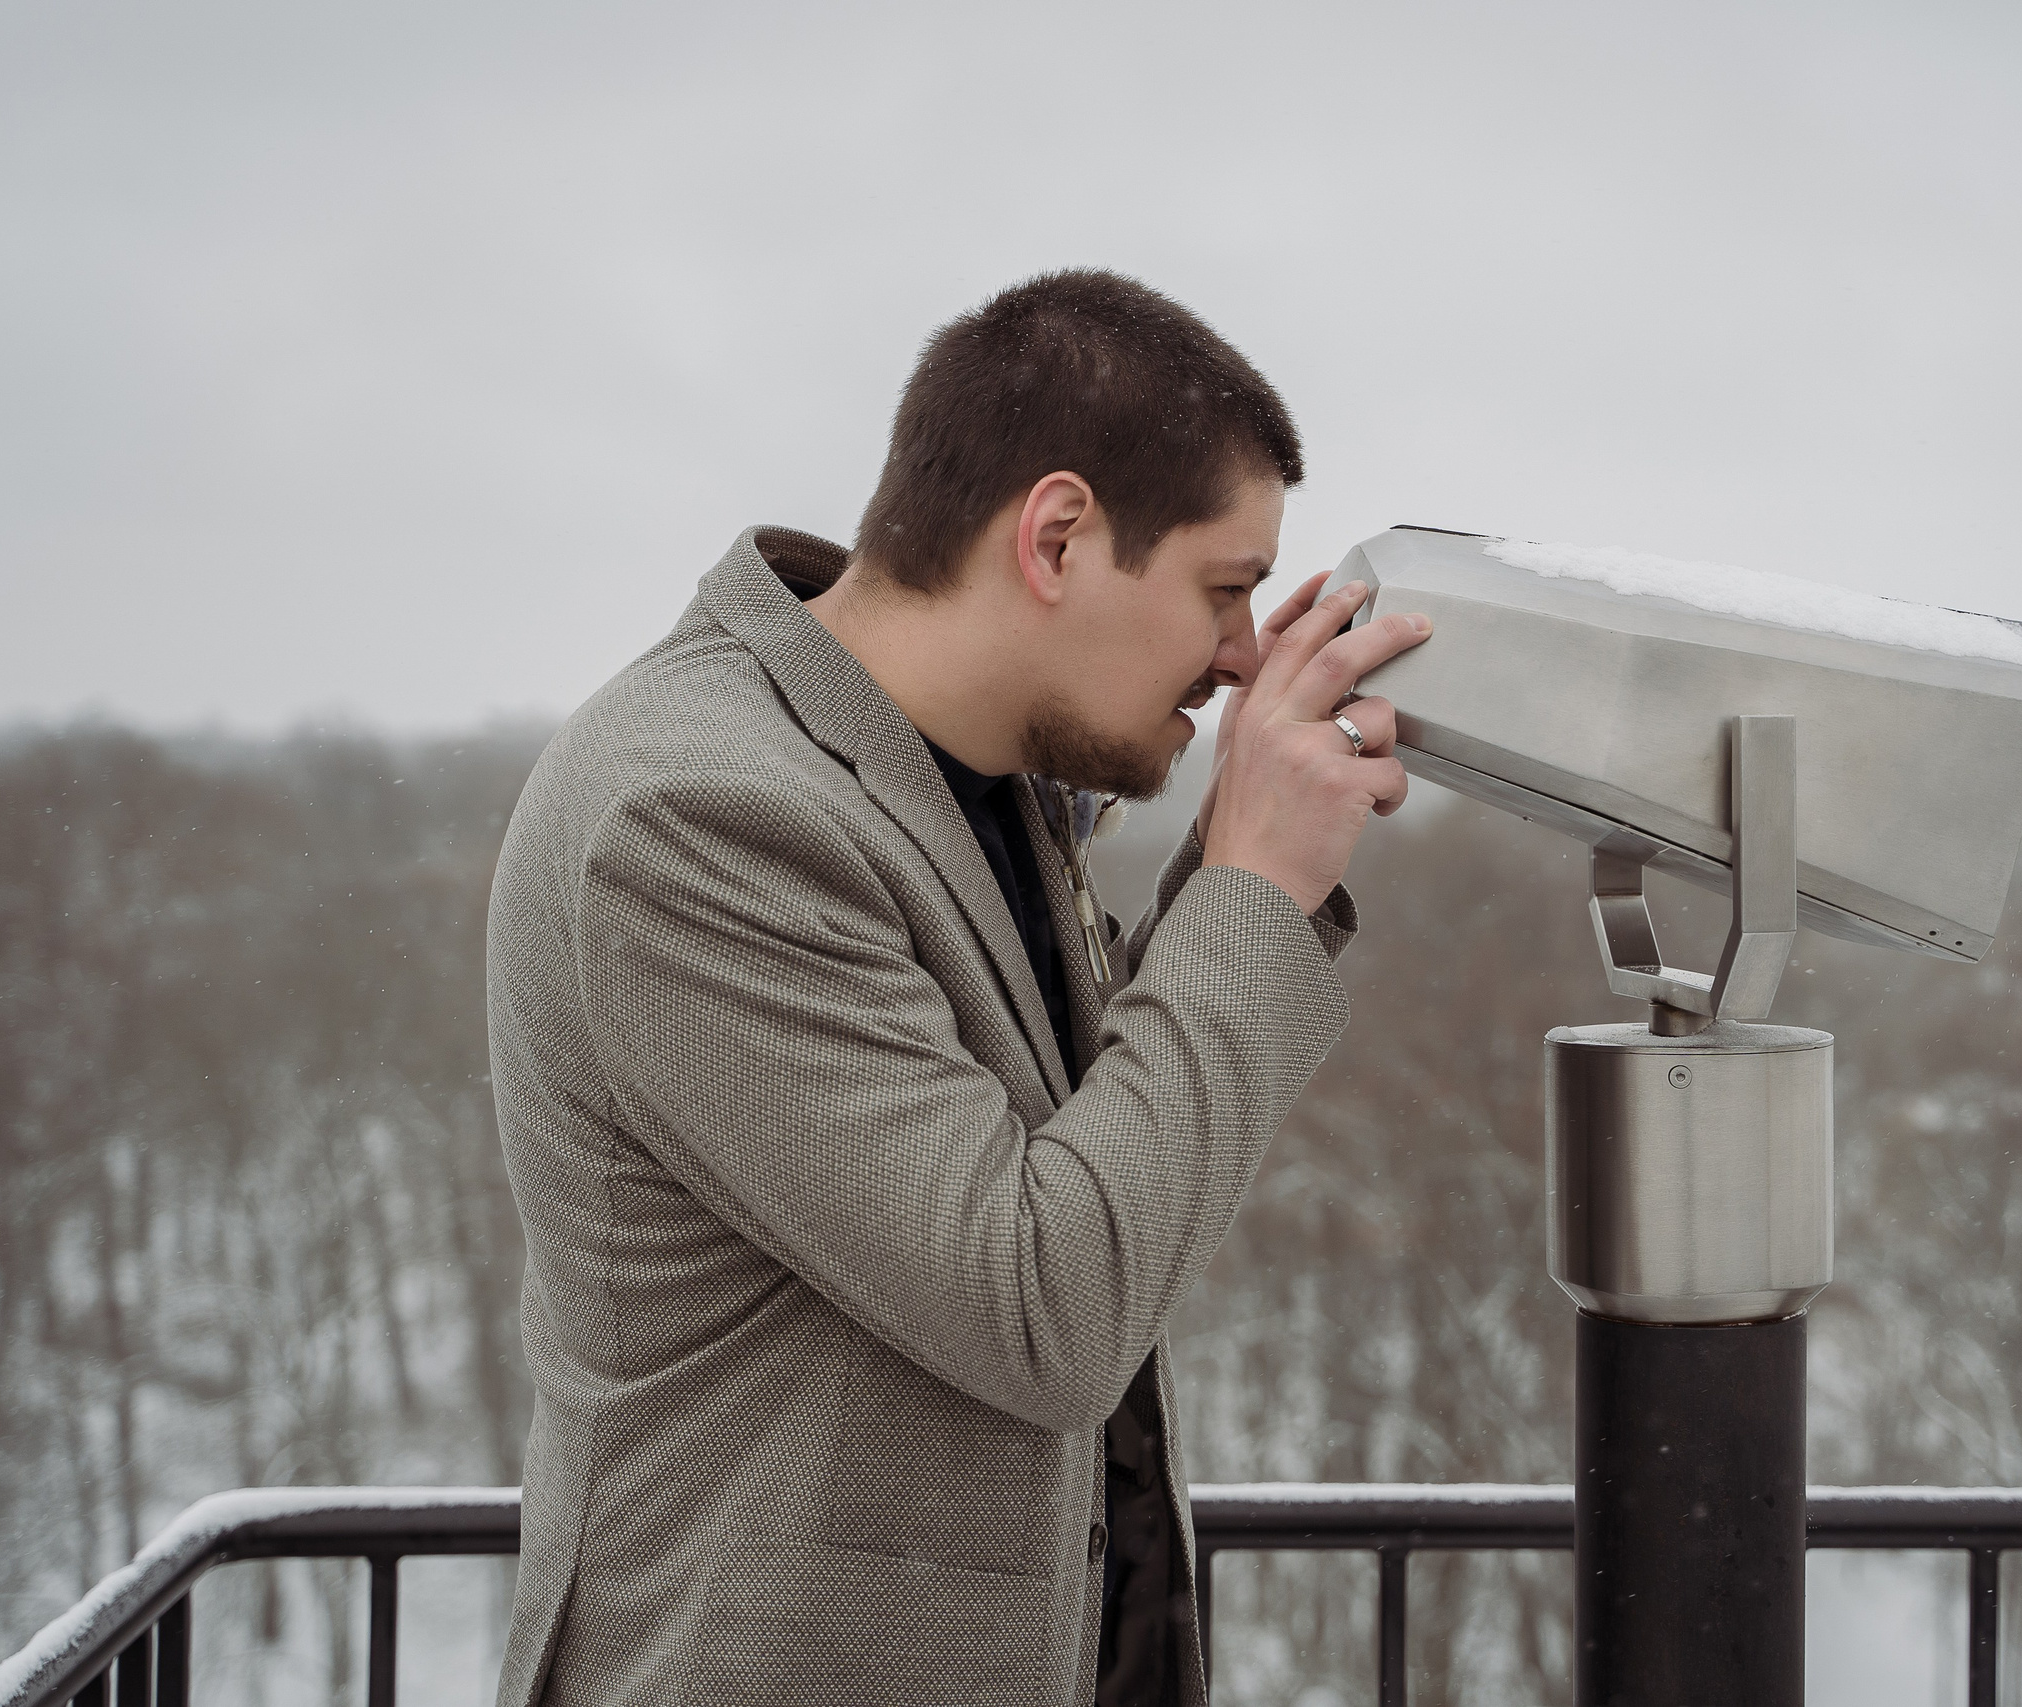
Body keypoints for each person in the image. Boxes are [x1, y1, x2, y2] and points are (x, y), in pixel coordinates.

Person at [485, 268, 1430, 1706]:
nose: (1242, 659)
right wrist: (1250, 890)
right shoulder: (692, 816)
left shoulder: (976, 780)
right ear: (1056, 535)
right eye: (1225, 591)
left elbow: (1087, 1150)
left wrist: (1232, 875)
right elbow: (1040, 1302)